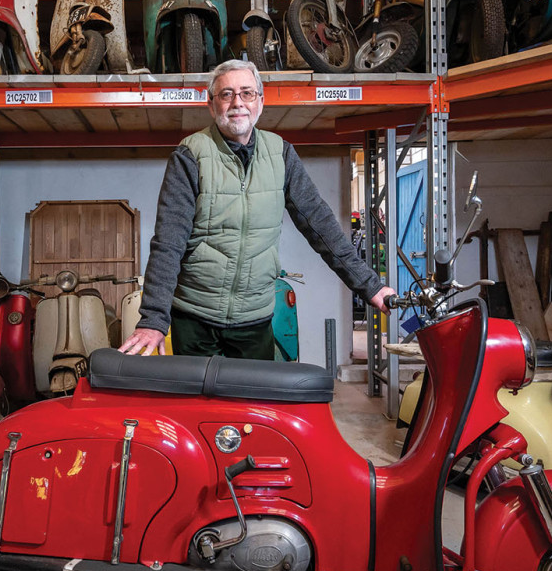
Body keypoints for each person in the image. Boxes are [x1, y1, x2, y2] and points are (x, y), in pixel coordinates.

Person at [119, 59, 395, 359]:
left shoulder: (280, 154)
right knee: (200, 392)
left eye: (247, 93)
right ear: (211, 105)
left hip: (255, 318)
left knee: (253, 390)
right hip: (195, 316)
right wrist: (154, 319)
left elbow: (321, 225)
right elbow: (169, 242)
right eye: (226, 94)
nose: (237, 103)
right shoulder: (190, 155)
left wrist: (370, 286)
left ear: (260, 103)